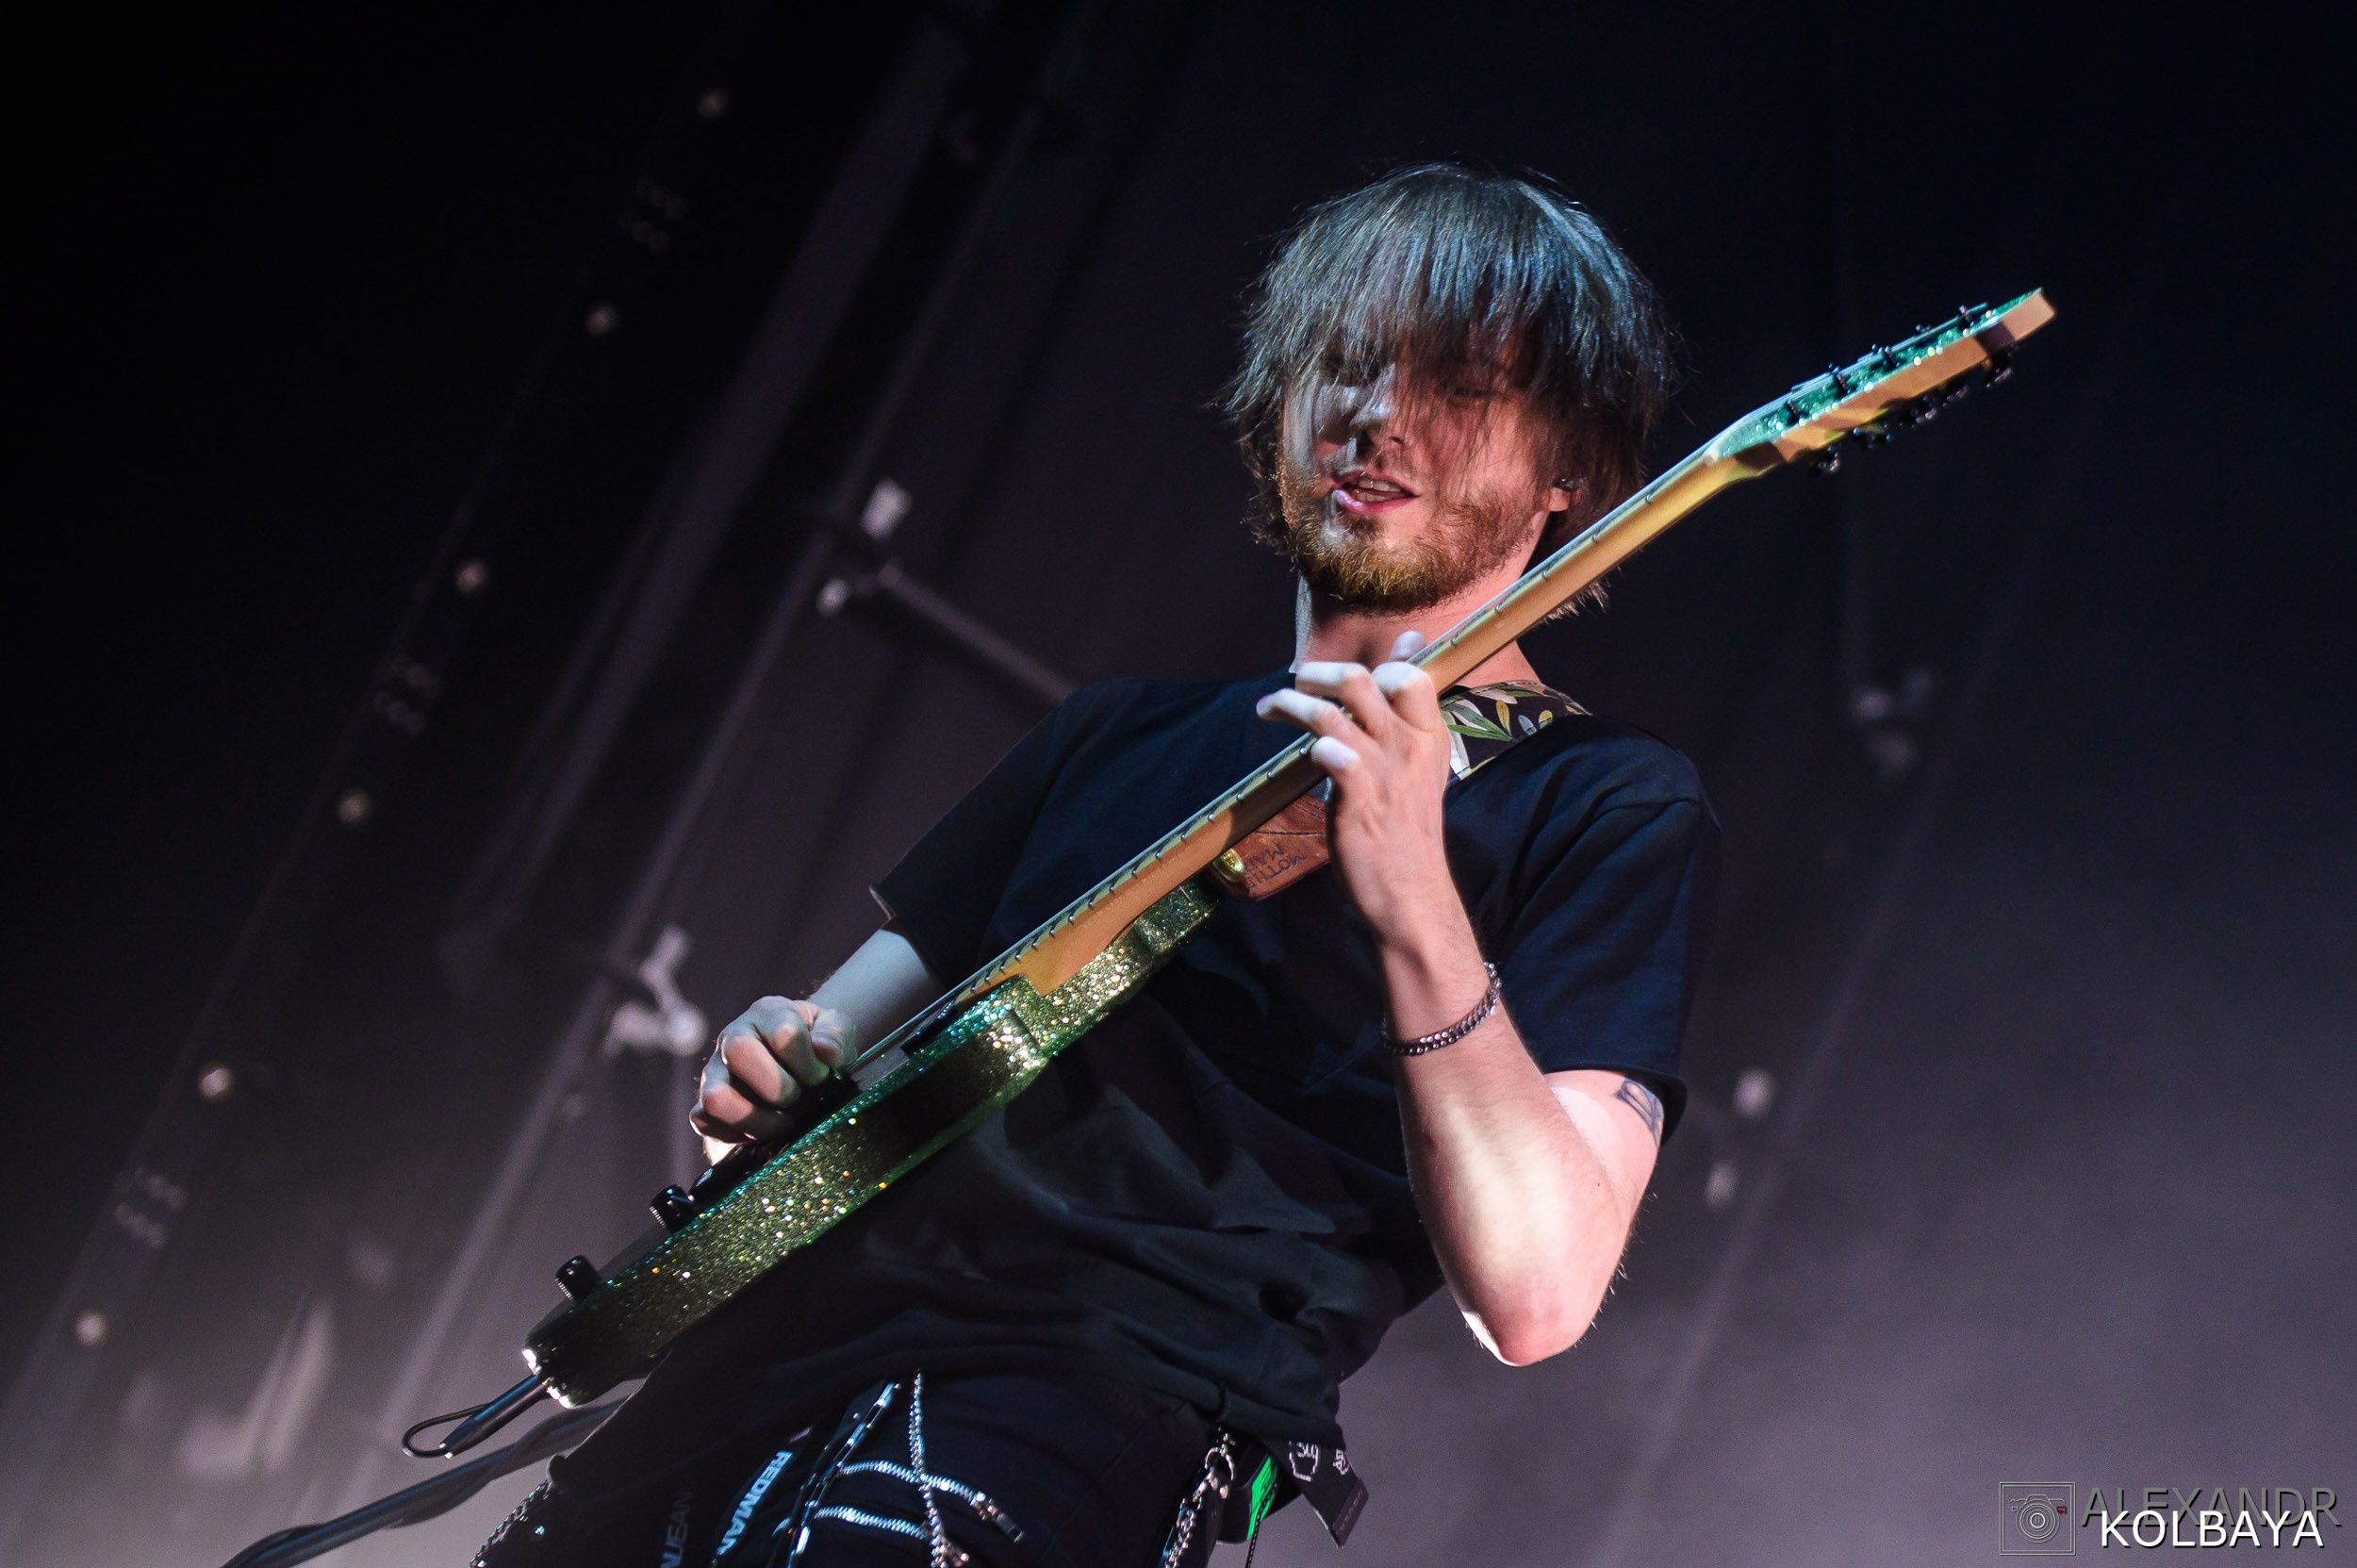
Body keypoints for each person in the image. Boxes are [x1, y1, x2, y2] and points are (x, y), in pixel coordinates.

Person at [474, 162, 1714, 1568]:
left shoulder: (1604, 801)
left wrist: (1414, 892)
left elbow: (1541, 1293)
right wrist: (758, 1077)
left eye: (1458, 385)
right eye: (1347, 363)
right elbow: (802, 1089)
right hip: (754, 1374)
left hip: (1081, 1419)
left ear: (1571, 472)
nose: (1377, 415)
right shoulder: (1110, 735)